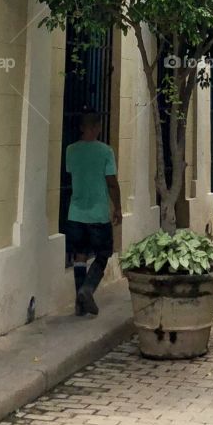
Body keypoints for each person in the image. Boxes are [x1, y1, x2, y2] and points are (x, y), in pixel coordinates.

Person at [65, 110, 121, 316]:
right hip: (98, 214)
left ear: (81, 127)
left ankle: (80, 303)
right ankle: (88, 288)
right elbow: (112, 182)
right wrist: (118, 207)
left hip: (75, 212)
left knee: (79, 255)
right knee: (103, 253)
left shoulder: (71, 150)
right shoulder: (105, 152)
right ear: (98, 127)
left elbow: (71, 172)